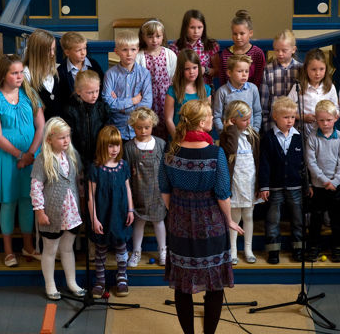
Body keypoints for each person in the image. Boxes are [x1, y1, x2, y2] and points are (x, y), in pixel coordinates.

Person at [158, 99, 241, 334]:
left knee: (183, 285)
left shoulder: (170, 150)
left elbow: (164, 189)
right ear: (203, 122)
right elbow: (223, 193)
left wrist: (176, 210)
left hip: (179, 221)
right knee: (214, 285)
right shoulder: (215, 153)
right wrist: (229, 220)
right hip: (210, 223)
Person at [0, 54, 44, 267]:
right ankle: (8, 251)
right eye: (14, 73)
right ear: (3, 75)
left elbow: (41, 127)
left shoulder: (30, 94)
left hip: (31, 156)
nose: (19, 77)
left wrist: (30, 154)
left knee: (28, 200)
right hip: (6, 158)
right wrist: (19, 155)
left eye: (21, 72)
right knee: (8, 203)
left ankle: (28, 246)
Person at [30, 117, 85, 300]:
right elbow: (36, 186)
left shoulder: (73, 156)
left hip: (71, 213)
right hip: (52, 214)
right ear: (49, 139)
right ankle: (50, 284)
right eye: (61, 138)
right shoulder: (43, 160)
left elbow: (79, 182)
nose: (66, 141)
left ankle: (72, 282)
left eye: (68, 136)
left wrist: (82, 203)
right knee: (50, 250)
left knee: (67, 249)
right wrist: (40, 211)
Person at [88, 126, 134, 298]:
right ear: (102, 146)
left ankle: (122, 277)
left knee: (121, 245)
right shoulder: (96, 168)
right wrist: (94, 218)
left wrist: (130, 209)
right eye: (110, 145)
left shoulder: (123, 166)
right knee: (101, 247)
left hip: (120, 212)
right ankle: (100, 281)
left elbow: (128, 188)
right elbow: (91, 196)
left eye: (117, 145)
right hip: (102, 213)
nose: (115, 149)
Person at [259, 96, 305, 264]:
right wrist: (264, 186)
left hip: (295, 186)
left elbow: (304, 164)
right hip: (275, 186)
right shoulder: (269, 138)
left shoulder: (299, 137)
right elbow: (264, 164)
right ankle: (273, 250)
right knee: (273, 219)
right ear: (275, 117)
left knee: (298, 218)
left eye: (292, 117)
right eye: (285, 117)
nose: (290, 121)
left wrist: (307, 185)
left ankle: (298, 248)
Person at [305, 100, 340, 263]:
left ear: (336, 118)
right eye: (321, 120)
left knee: (336, 218)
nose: (325, 123)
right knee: (316, 218)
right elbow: (311, 162)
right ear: (316, 119)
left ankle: (336, 247)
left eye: (328, 120)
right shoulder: (312, 138)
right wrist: (324, 181)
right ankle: (314, 247)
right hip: (319, 186)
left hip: (336, 186)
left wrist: (335, 181)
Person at [123, 108, 168, 267]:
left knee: (159, 221)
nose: (143, 131)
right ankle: (136, 251)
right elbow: (126, 170)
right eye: (139, 127)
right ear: (133, 126)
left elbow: (165, 168)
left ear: (152, 125)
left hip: (157, 192)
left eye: (147, 127)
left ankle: (163, 250)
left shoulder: (161, 144)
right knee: (139, 222)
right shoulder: (129, 147)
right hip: (138, 191)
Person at [219, 100, 260, 265]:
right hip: (235, 181)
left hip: (249, 180)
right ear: (233, 120)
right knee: (234, 216)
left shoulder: (253, 135)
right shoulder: (227, 135)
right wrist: (231, 130)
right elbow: (231, 149)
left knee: (248, 215)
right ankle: (233, 249)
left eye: (249, 119)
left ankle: (248, 249)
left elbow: (257, 160)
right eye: (244, 120)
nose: (248, 122)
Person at [102, 31, 153, 140]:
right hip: (117, 130)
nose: (129, 54)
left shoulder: (144, 74)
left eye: (133, 49)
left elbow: (147, 104)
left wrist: (122, 107)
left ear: (138, 50)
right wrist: (133, 101)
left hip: (138, 130)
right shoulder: (110, 74)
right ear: (117, 51)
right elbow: (108, 103)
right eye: (124, 50)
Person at [62, 70, 110, 177]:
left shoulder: (102, 108)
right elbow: (69, 137)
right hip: (77, 156)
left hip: (99, 156)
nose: (94, 95)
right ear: (78, 91)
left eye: (97, 91)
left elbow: (107, 133)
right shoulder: (70, 110)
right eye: (90, 92)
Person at [136, 19, 177, 140]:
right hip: (148, 98)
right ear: (143, 37)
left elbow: (174, 77)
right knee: (149, 126)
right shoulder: (139, 56)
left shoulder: (169, 54)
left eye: (158, 36)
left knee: (167, 125)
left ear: (163, 36)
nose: (154, 40)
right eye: (150, 36)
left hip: (166, 98)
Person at [288, 48, 339, 139]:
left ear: (326, 69)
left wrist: (329, 117)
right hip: (304, 134)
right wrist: (302, 117)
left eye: (321, 69)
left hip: (325, 133)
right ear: (306, 69)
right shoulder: (299, 87)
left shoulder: (330, 87)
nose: (317, 73)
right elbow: (287, 109)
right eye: (313, 69)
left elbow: (336, 109)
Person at [260, 29, 302, 132]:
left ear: (293, 49)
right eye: (277, 50)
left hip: (296, 126)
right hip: (273, 125)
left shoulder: (301, 70)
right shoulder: (268, 70)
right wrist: (266, 128)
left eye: (284, 50)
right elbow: (264, 103)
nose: (280, 54)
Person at [164, 49, 212, 136]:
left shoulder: (206, 90)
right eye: (187, 69)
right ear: (181, 70)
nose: (191, 72)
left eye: (194, 67)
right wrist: (177, 139)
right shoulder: (173, 90)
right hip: (179, 137)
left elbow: (208, 117)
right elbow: (168, 119)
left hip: (200, 138)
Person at [23, 29, 66, 120]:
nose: (52, 54)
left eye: (53, 49)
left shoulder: (54, 70)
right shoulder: (26, 74)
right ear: (37, 51)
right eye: (48, 50)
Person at [212, 54, 262, 133]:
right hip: (230, 135)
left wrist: (255, 130)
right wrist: (223, 132)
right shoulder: (222, 92)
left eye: (246, 71)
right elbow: (217, 116)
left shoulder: (253, 89)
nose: (244, 74)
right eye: (240, 71)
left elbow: (257, 112)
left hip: (249, 133)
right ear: (229, 73)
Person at [170, 9, 220, 86]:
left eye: (199, 27)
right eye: (192, 27)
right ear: (185, 28)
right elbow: (173, 72)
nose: (196, 31)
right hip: (183, 89)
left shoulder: (210, 45)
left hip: (205, 89)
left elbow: (218, 71)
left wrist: (205, 70)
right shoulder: (175, 47)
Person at [219, 10, 266, 88]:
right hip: (229, 94)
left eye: (242, 33)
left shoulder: (257, 53)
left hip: (250, 95)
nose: (238, 37)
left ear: (250, 33)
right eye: (235, 34)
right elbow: (223, 78)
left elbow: (259, 79)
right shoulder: (225, 54)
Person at [57, 31, 105, 103]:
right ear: (67, 52)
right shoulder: (61, 71)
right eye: (78, 50)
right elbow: (62, 97)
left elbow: (102, 85)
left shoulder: (94, 65)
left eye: (84, 48)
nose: (83, 53)